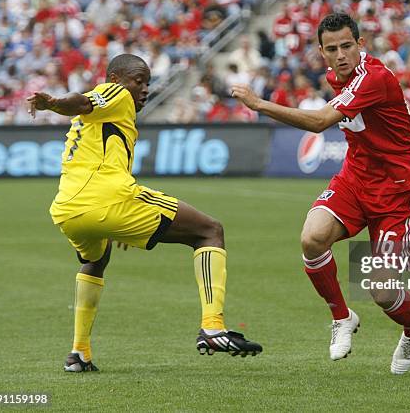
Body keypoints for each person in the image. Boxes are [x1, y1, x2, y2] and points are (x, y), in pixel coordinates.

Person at [26, 54, 262, 372]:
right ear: (115, 78)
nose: (144, 89)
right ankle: (213, 328)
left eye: (147, 82)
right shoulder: (115, 93)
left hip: (68, 210)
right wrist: (53, 103)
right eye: (138, 80)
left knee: (96, 259)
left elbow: (85, 115)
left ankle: (79, 353)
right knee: (210, 231)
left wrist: (116, 223)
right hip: (108, 201)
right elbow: (80, 101)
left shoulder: (99, 121)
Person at [232, 13, 410, 375]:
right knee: (312, 238)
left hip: (398, 192)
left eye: (347, 46)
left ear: (361, 45)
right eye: (332, 49)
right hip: (355, 179)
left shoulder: (375, 79)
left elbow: (321, 122)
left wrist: (259, 105)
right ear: (322, 52)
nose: (341, 55)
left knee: (382, 291)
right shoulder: (335, 77)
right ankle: (342, 316)